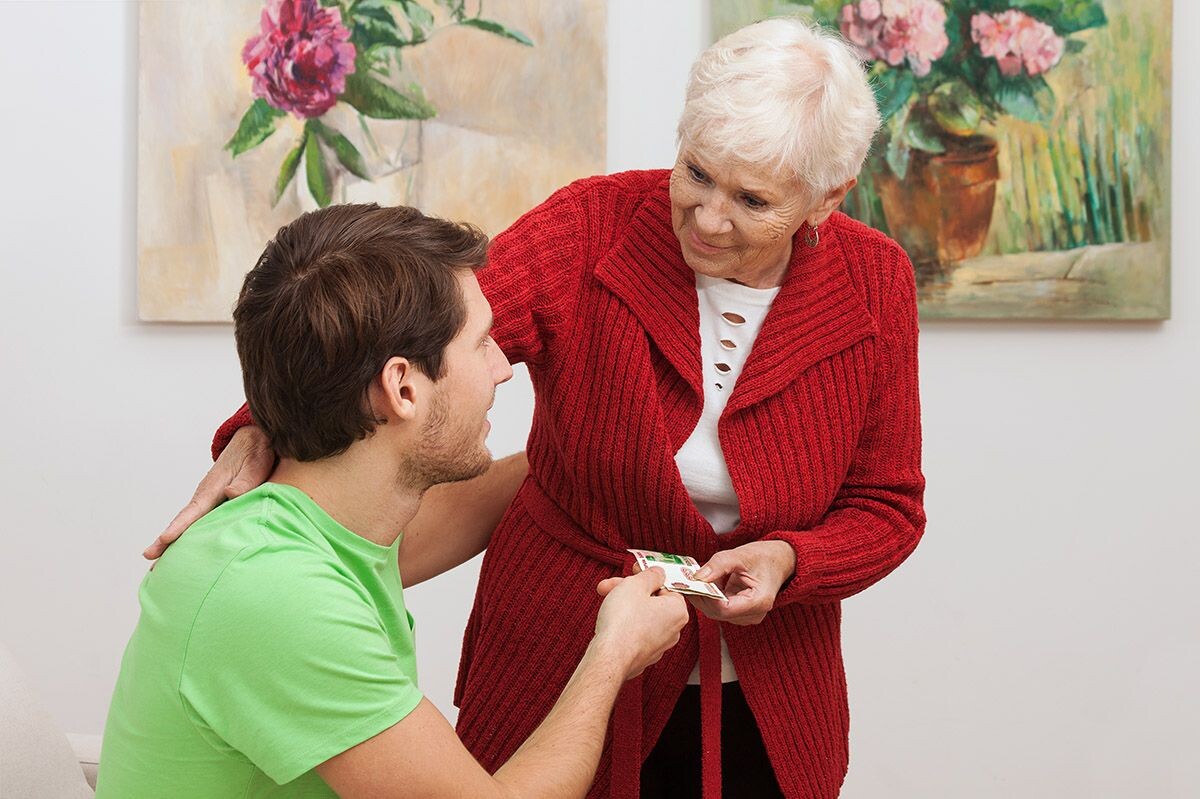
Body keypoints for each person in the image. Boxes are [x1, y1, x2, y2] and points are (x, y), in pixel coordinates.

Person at [152, 17, 926, 799]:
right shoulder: (592, 226)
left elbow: (889, 503)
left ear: (829, 196)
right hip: (557, 649)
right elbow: (406, 337)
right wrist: (260, 425)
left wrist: (791, 560)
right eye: (695, 173)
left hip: (769, 695)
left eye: (753, 200)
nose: (707, 217)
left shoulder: (877, 282)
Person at [99, 204, 689, 798]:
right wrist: (613, 652)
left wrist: (608, 442)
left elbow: (472, 509)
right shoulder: (271, 589)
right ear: (402, 387)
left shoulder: (310, 530)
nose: (502, 370)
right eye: (483, 343)